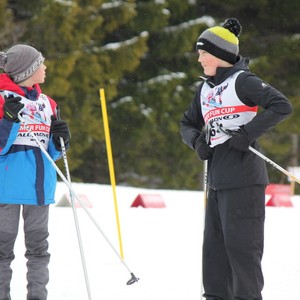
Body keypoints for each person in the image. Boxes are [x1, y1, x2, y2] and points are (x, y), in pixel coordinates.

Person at [180, 18, 292, 300]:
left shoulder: (243, 81)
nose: (199, 59)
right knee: (214, 254)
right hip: (217, 180)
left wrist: (246, 134)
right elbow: (186, 123)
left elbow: (281, 106)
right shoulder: (205, 90)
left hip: (244, 179)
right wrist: (197, 142)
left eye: (203, 53)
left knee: (241, 252)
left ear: (218, 55)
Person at [0, 44, 70, 300]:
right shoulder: (2, 98)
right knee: (2, 251)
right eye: (41, 63)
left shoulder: (47, 104)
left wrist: (61, 140)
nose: (45, 67)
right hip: (7, 190)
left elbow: (51, 154)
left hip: (40, 189)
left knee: (39, 250)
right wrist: (8, 119)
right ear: (27, 70)